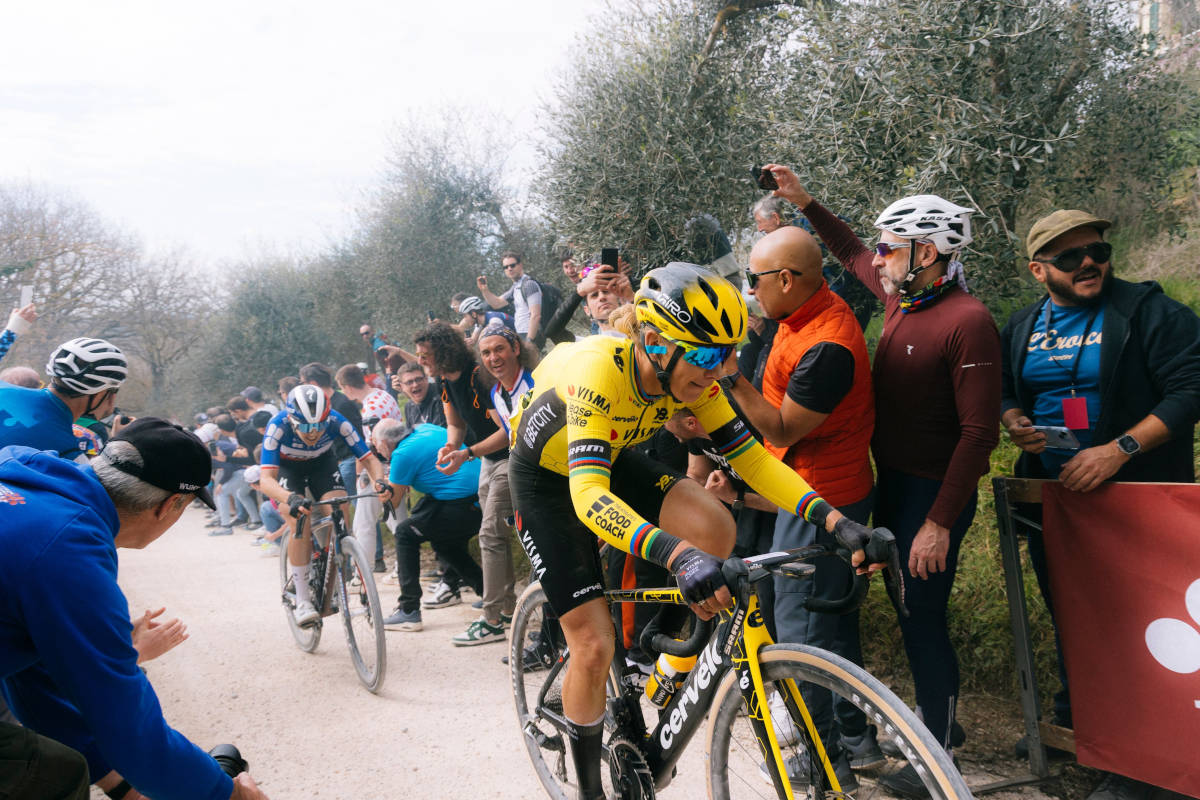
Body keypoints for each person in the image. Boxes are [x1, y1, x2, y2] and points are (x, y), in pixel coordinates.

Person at [507, 262, 891, 800]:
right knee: (592, 645)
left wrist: (838, 522)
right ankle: (592, 791)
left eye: (729, 354)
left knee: (715, 525)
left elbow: (754, 462)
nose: (721, 370)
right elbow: (587, 496)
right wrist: (679, 557)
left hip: (608, 458)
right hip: (548, 482)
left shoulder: (695, 380)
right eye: (710, 354)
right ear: (656, 344)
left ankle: (670, 667)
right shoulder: (599, 368)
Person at [763, 164, 1001, 795]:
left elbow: (980, 435)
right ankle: (923, 733)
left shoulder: (966, 319)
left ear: (929, 252)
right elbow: (849, 250)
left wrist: (939, 523)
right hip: (887, 483)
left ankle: (942, 754)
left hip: (931, 495)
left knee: (921, 616)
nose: (881, 259)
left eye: (893, 248)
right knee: (896, 612)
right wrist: (805, 201)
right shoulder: (904, 294)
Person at [1000, 210, 1200, 800]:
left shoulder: (1152, 314)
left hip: (1137, 506)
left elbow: (1192, 388)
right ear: (1039, 271)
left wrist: (1120, 449)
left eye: (1098, 250)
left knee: (1145, 632)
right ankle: (1082, 727)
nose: (1089, 262)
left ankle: (1145, 772)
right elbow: (1008, 392)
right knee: (1074, 617)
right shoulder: (1020, 325)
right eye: (1069, 257)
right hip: (1057, 504)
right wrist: (1015, 422)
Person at [0, 418, 268, 799]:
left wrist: (124, 787)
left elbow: (34, 683)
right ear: (170, 505)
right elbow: (127, 726)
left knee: (54, 766)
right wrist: (230, 795)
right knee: (49, 776)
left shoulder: (28, 475)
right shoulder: (69, 552)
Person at [723, 224, 879, 780]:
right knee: (832, 628)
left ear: (786, 279)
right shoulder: (804, 314)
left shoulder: (828, 346)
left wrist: (728, 375)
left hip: (820, 502)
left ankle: (822, 768)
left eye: (754, 279)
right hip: (816, 488)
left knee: (800, 634)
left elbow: (785, 428)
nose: (750, 289)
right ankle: (857, 741)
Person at [413, 322, 517, 646]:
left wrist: (467, 452)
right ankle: (509, 608)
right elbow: (455, 423)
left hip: (510, 458)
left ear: (443, 351)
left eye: (424, 355)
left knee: (489, 535)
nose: (420, 362)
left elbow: (508, 431)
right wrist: (451, 446)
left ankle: (491, 619)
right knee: (496, 537)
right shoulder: (445, 380)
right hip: (487, 460)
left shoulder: (478, 376)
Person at [256, 385, 390, 627]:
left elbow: (369, 459)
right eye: (306, 426)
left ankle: (333, 569)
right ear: (292, 420)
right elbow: (266, 480)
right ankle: (304, 599)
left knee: (339, 510)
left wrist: (379, 481)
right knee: (300, 519)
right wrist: (290, 498)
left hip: (322, 465)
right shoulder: (278, 426)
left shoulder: (337, 421)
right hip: (289, 470)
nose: (313, 432)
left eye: (319, 425)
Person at [374, 419, 485, 631]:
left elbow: (393, 501)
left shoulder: (401, 454)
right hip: (481, 496)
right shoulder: (425, 428)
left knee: (405, 533)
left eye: (376, 445)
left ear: (385, 443)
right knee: (446, 544)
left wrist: (382, 486)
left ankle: (409, 610)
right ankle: (490, 594)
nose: (377, 450)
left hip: (460, 503)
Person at [753, 195, 879, 330]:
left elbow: (836, 278)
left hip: (851, 298)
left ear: (776, 218)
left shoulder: (808, 233)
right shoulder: (799, 228)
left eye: (759, 221)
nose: (759, 228)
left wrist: (827, 313)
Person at [0, 337, 127, 461]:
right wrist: (120, 443)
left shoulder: (3, 389)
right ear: (100, 392)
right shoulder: (68, 454)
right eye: (113, 391)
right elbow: (101, 481)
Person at [477, 250, 543, 349]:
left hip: (532, 335)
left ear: (520, 265)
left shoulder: (529, 285)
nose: (509, 269)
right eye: (506, 267)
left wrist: (529, 340)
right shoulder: (516, 287)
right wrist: (484, 290)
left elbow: (536, 315)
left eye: (512, 265)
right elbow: (497, 304)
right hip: (522, 334)